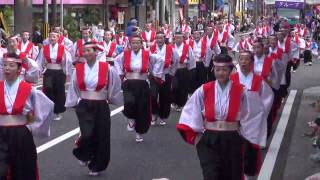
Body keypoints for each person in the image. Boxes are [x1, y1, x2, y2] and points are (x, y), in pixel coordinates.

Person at [176, 54, 266, 180]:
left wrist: (247, 134)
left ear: (231, 70)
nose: (221, 73)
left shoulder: (241, 91)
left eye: (224, 69)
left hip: (232, 138)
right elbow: (191, 109)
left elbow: (254, 113)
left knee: (231, 175)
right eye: (217, 69)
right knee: (211, 174)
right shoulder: (205, 89)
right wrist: (197, 137)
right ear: (213, 70)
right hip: (209, 139)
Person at [65, 42, 122, 176]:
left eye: (88, 50)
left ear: (96, 52)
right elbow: (74, 87)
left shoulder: (106, 68)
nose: (85, 53)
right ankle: (85, 153)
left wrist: (110, 98)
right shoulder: (78, 69)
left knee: (101, 134)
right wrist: (74, 102)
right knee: (87, 133)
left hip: (101, 104)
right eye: (83, 51)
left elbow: (114, 84)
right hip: (84, 104)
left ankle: (97, 165)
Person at [0, 54, 54, 180]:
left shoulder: (28, 89)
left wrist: (34, 127)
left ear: (19, 70)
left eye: (11, 65)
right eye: (5, 65)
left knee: (23, 169)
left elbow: (47, 107)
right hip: (1, 133)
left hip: (20, 134)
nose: (7, 68)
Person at [230, 51, 274, 179]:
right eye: (241, 59)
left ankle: (248, 174)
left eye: (246, 60)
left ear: (252, 62)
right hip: (235, 120)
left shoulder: (258, 80)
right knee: (235, 149)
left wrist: (260, 116)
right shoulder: (232, 79)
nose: (243, 62)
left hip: (253, 121)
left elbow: (267, 99)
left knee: (250, 149)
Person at [114, 35, 164, 142]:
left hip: (142, 84)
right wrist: (120, 73)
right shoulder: (125, 54)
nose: (135, 45)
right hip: (129, 83)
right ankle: (131, 120)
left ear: (141, 44)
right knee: (129, 102)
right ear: (130, 44)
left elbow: (160, 59)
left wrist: (155, 72)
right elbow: (116, 60)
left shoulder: (147, 54)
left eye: (137, 43)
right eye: (133, 43)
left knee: (141, 109)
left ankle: (139, 133)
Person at [37, 32, 73, 121]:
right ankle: (48, 110)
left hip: (59, 72)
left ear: (58, 38)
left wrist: (66, 72)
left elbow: (67, 61)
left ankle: (58, 111)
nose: (52, 38)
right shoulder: (44, 48)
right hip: (49, 71)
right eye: (50, 37)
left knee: (59, 91)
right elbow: (40, 61)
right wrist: (39, 71)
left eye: (54, 37)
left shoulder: (62, 48)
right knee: (48, 90)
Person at [149, 31, 176, 126]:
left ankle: (162, 115)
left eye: (161, 38)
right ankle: (154, 113)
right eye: (157, 38)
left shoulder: (170, 49)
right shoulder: (151, 49)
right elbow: (148, 61)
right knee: (152, 95)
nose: (159, 40)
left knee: (164, 97)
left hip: (166, 74)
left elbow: (175, 61)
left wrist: (171, 73)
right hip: (154, 76)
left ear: (164, 38)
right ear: (155, 39)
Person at [171, 32, 195, 111]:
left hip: (184, 69)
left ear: (183, 39)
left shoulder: (187, 47)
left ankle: (181, 104)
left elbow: (192, 59)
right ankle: (174, 101)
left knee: (183, 87)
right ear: (174, 39)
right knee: (174, 86)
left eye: (180, 38)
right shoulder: (171, 47)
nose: (178, 40)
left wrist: (190, 70)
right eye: (176, 38)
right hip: (174, 70)